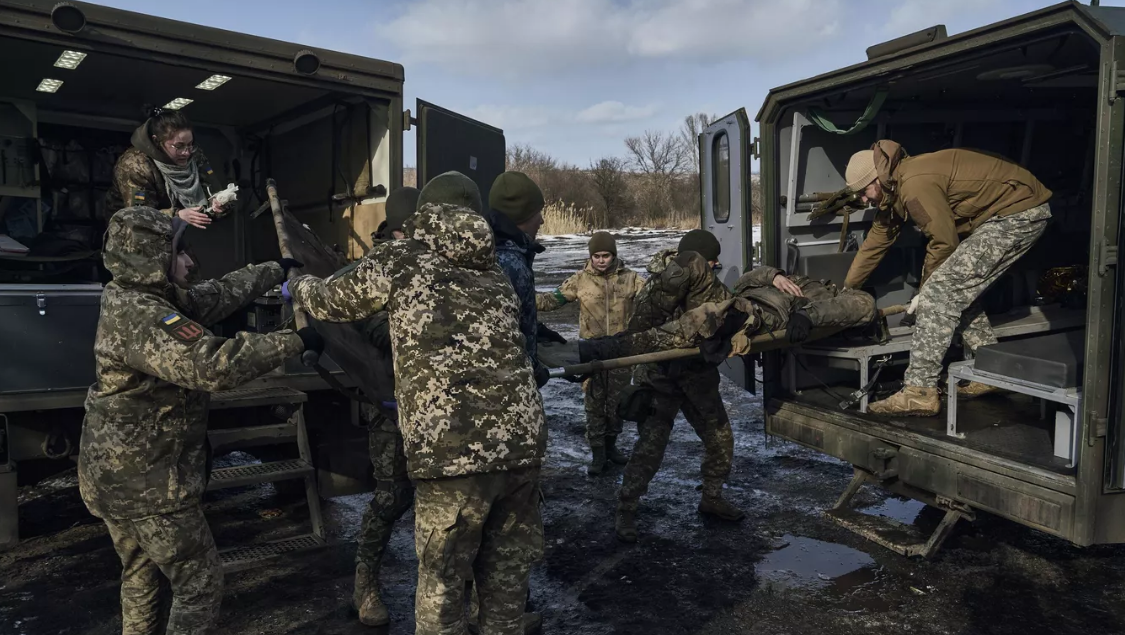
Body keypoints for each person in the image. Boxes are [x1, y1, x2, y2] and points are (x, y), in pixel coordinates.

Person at [284, 193, 546, 635]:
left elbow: (332, 301)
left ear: (422, 221)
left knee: (442, 593)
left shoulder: (401, 258)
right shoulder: (495, 271)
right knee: (504, 595)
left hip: (452, 451)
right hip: (522, 446)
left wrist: (300, 284)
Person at [79, 206, 320, 635]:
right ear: (152, 256)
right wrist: (294, 340)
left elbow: (217, 294)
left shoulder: (142, 296)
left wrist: (273, 269)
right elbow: (213, 366)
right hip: (147, 485)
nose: (191, 262)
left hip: (118, 478)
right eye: (180, 252)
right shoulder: (143, 315)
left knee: (140, 575)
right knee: (200, 584)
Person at [843, 140, 1052, 416]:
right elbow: (876, 241)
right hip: (1000, 215)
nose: (862, 200)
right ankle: (990, 371)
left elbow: (943, 243)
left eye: (863, 192)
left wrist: (925, 290)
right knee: (954, 292)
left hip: (1019, 213)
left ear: (876, 179)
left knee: (939, 293)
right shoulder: (894, 188)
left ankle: (919, 392)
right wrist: (849, 288)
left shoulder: (914, 184)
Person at [614, 229, 744, 543]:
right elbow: (643, 327)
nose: (715, 266)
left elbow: (729, 311)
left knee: (720, 439)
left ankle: (711, 497)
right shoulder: (657, 284)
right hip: (660, 379)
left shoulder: (711, 288)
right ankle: (626, 508)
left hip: (697, 380)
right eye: (711, 261)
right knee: (650, 449)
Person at [350, 186, 419, 627]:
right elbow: (375, 328)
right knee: (392, 496)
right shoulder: (369, 271)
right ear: (398, 230)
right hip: (391, 401)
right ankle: (365, 584)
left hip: (437, 405)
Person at [537, 231, 645, 474]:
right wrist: (521, 299)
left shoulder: (631, 279)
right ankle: (598, 454)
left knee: (617, 402)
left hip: (621, 351)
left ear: (613, 255)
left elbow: (654, 298)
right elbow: (550, 300)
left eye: (605, 255)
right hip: (590, 353)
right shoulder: (579, 280)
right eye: (596, 255)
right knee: (594, 404)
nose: (600, 260)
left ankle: (612, 446)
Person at [107, 107, 229, 230]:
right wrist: (177, 215)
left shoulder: (194, 156)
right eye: (179, 146)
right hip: (130, 234)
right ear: (157, 141)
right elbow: (138, 216)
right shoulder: (136, 165)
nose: (186, 153)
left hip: (173, 232)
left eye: (190, 144)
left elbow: (213, 192)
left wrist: (219, 204)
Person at [486, 171, 551, 388]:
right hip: (509, 387)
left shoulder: (489, 249)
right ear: (523, 217)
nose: (541, 220)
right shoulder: (512, 263)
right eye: (537, 213)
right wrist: (535, 370)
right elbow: (511, 336)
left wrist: (538, 330)